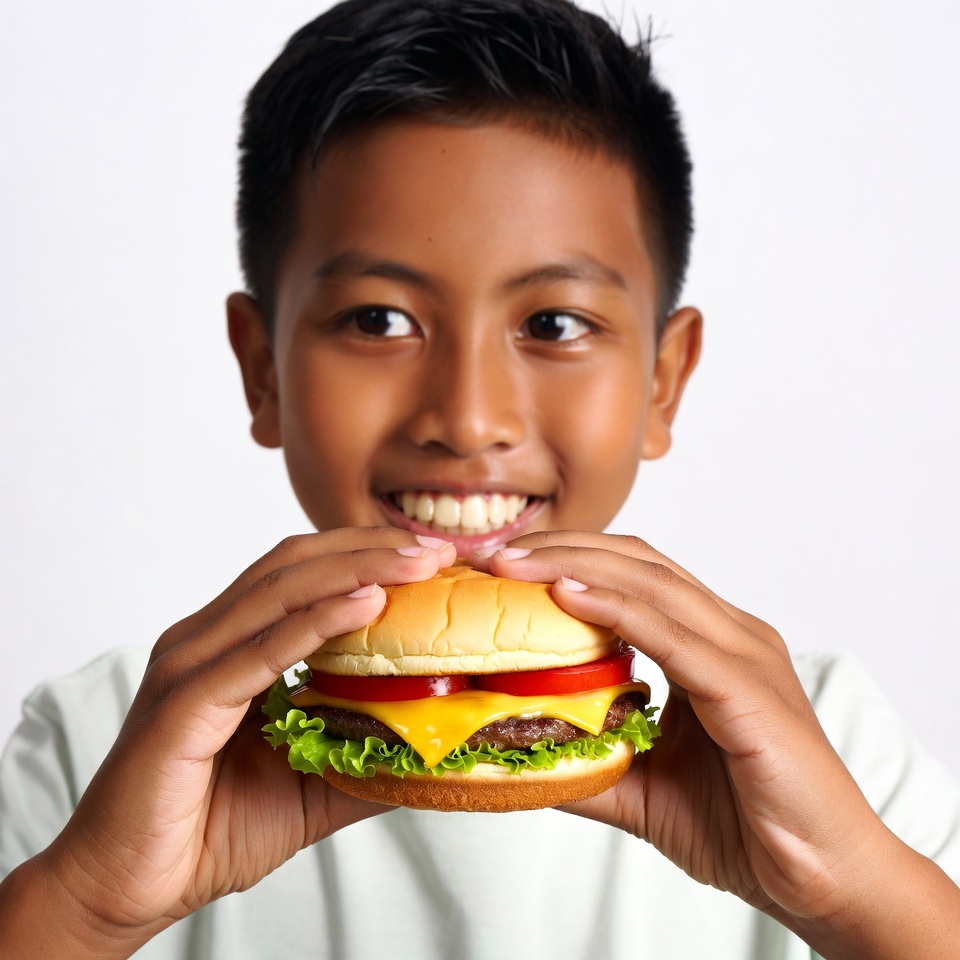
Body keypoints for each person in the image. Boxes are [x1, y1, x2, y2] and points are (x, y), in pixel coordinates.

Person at [1, 0, 958, 956]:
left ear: (663, 382)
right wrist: (84, 911)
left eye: (554, 325)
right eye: (378, 320)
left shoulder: (833, 749)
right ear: (264, 372)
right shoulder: (99, 746)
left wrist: (855, 903)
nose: (466, 421)